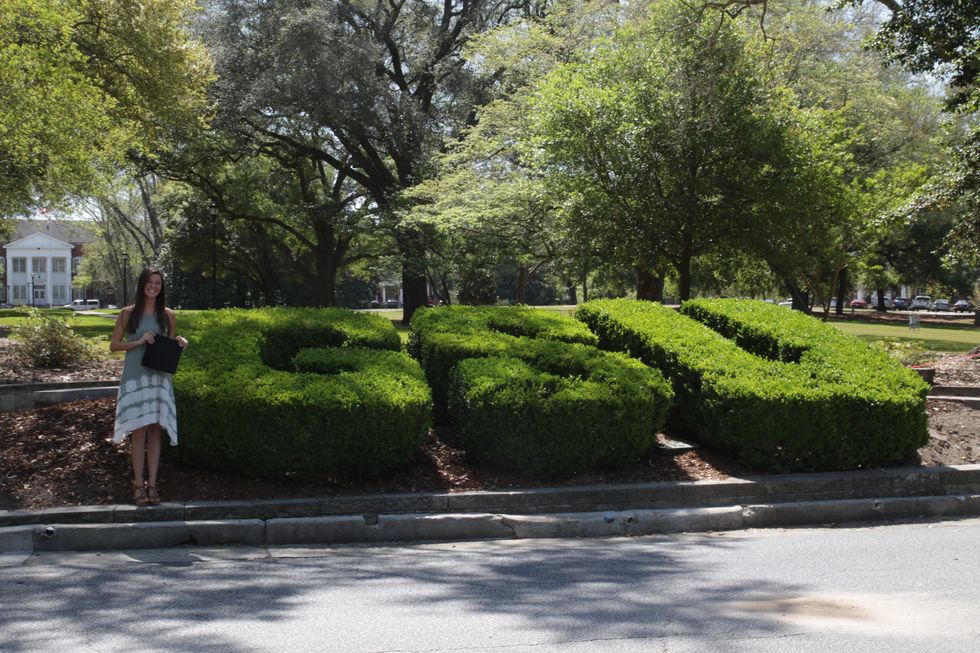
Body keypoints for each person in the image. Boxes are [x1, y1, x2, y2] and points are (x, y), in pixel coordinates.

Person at [109, 267, 188, 506]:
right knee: (138, 432)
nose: (153, 286)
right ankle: (137, 486)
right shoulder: (127, 314)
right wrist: (139, 341)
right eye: (150, 282)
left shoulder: (168, 315)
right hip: (135, 378)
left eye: (158, 283)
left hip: (159, 379)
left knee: (155, 431)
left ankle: (153, 486)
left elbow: (168, 346)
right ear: (142, 285)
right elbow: (114, 345)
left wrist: (180, 344)